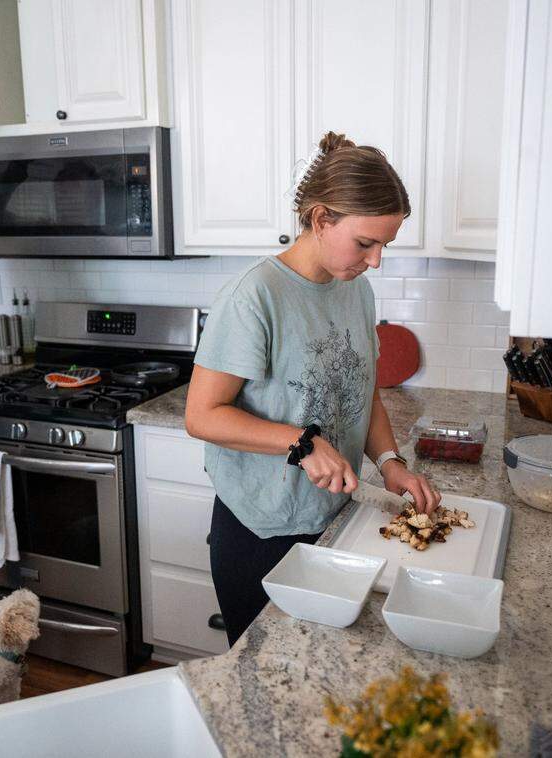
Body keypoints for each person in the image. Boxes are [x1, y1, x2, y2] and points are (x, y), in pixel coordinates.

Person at [184, 132, 442, 647]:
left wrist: (391, 463)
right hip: (262, 531)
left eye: (383, 246)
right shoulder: (254, 295)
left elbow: (361, 392)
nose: (375, 261)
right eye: (366, 243)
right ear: (322, 219)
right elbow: (202, 416)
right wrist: (301, 441)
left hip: (333, 521)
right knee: (264, 685)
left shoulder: (355, 291)